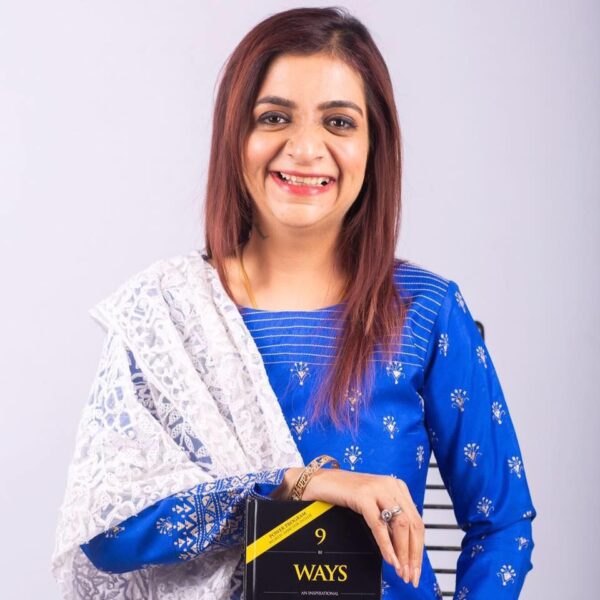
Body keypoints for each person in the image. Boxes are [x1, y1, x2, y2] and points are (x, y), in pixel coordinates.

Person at [51, 7, 536, 600]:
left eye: (339, 122)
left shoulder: (425, 311)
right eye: (274, 117)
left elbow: (503, 525)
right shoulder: (166, 315)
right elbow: (109, 532)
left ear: (374, 145)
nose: (305, 148)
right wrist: (294, 485)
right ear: (236, 137)